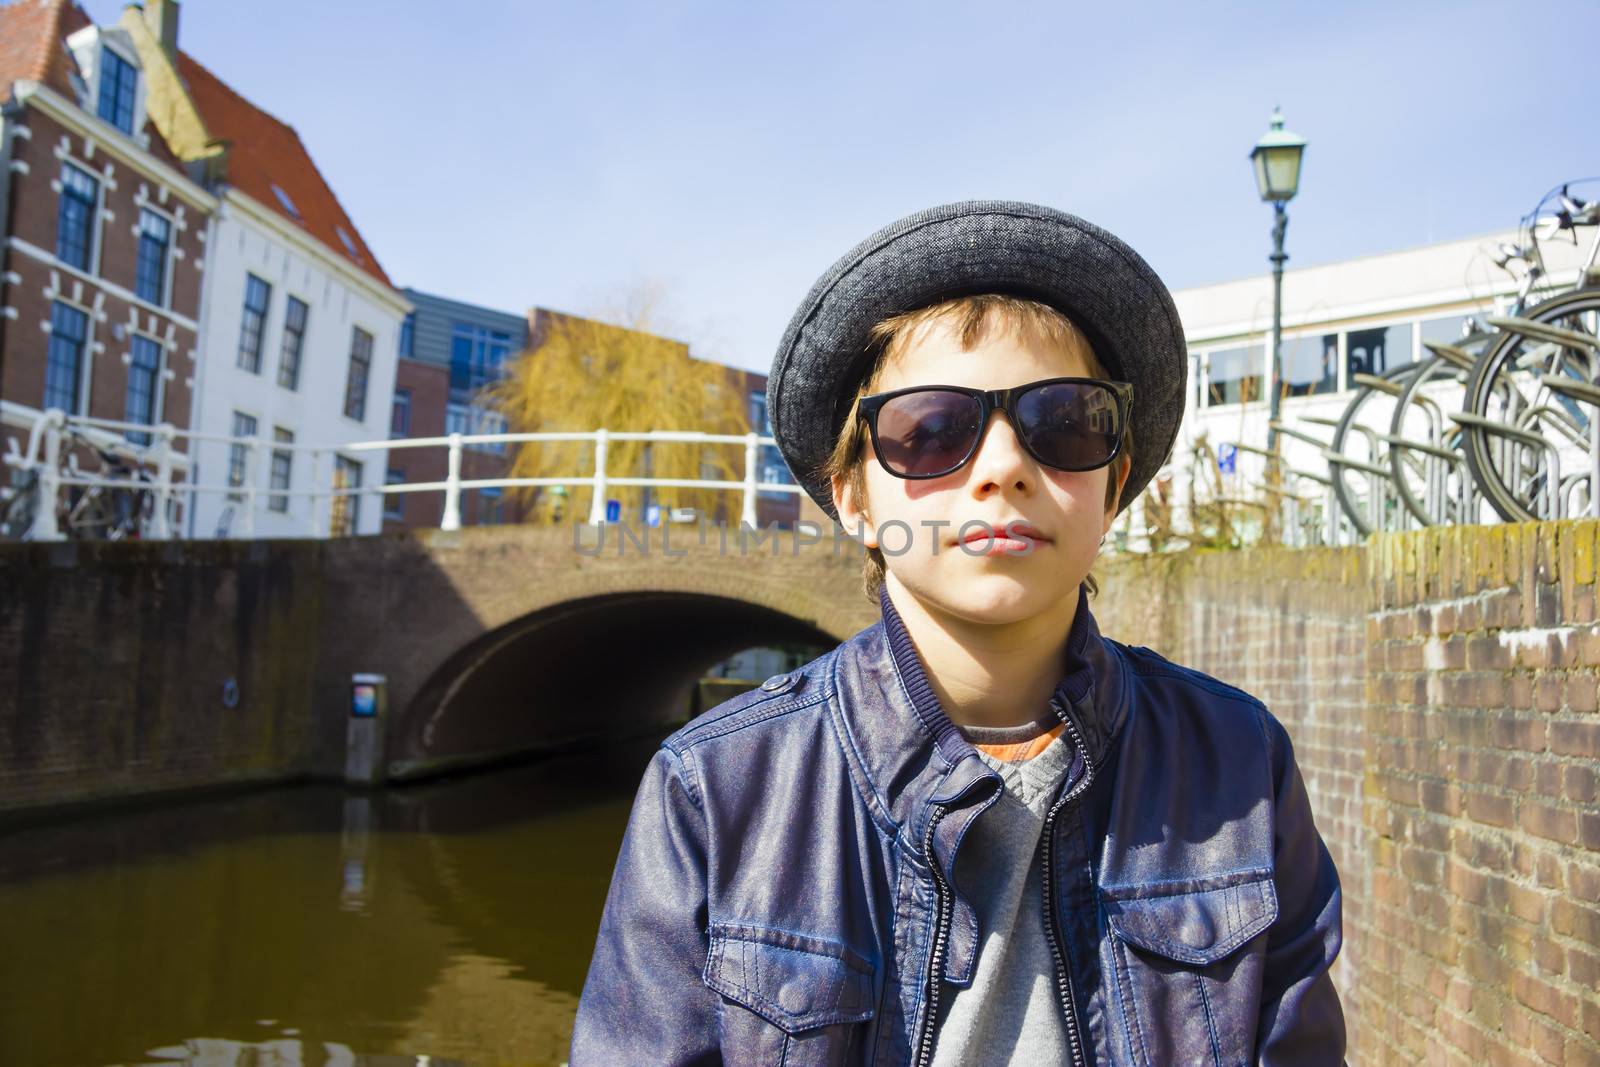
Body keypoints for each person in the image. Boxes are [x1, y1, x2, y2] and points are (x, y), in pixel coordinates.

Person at [569, 201, 1346, 1066]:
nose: (1005, 466)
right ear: (856, 498)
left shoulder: (1239, 761)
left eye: (1063, 422)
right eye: (929, 430)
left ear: (1112, 484)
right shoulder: (712, 791)